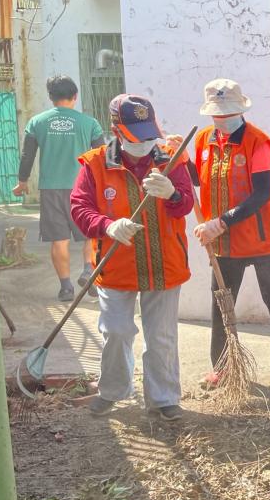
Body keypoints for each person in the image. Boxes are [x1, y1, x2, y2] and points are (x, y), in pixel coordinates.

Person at [70, 94, 193, 420]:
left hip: (165, 264)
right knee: (116, 330)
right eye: (137, 137)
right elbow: (80, 209)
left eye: (149, 134)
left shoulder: (171, 159)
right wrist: (107, 226)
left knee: (162, 336)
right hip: (115, 265)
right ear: (116, 130)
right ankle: (112, 390)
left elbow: (185, 204)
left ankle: (163, 398)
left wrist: (172, 193)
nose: (146, 143)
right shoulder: (95, 164)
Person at [190, 78, 270, 395]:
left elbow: (261, 193)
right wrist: (180, 164)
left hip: (261, 239)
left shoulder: (259, 143)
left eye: (227, 112)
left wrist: (221, 222)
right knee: (221, 303)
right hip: (224, 243)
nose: (222, 118)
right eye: (217, 113)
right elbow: (200, 179)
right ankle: (222, 368)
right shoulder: (204, 140)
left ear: (240, 109)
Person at [14, 75, 105, 301]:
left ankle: (66, 288)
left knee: (59, 239)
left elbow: (27, 155)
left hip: (51, 189)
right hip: (83, 188)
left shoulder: (37, 122)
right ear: (75, 96)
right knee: (90, 233)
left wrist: (22, 181)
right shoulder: (90, 123)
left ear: (51, 97)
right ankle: (88, 269)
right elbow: (101, 157)